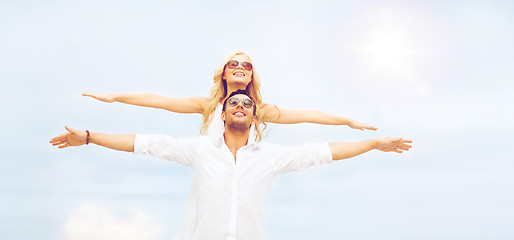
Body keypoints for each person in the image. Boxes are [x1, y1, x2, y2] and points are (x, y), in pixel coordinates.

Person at [50, 90, 412, 240]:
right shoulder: (199, 150)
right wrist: (88, 136)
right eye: (233, 104)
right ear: (222, 114)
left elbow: (324, 151)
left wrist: (374, 143)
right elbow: (144, 144)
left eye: (247, 105)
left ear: (255, 117)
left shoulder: (271, 157)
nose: (240, 106)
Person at [82, 51, 377, 142]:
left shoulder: (261, 110)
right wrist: (114, 97)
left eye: (246, 65)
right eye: (233, 64)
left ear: (250, 76)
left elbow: (311, 115)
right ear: (224, 73)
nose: (239, 67)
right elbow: (157, 99)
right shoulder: (207, 106)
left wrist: (347, 121)